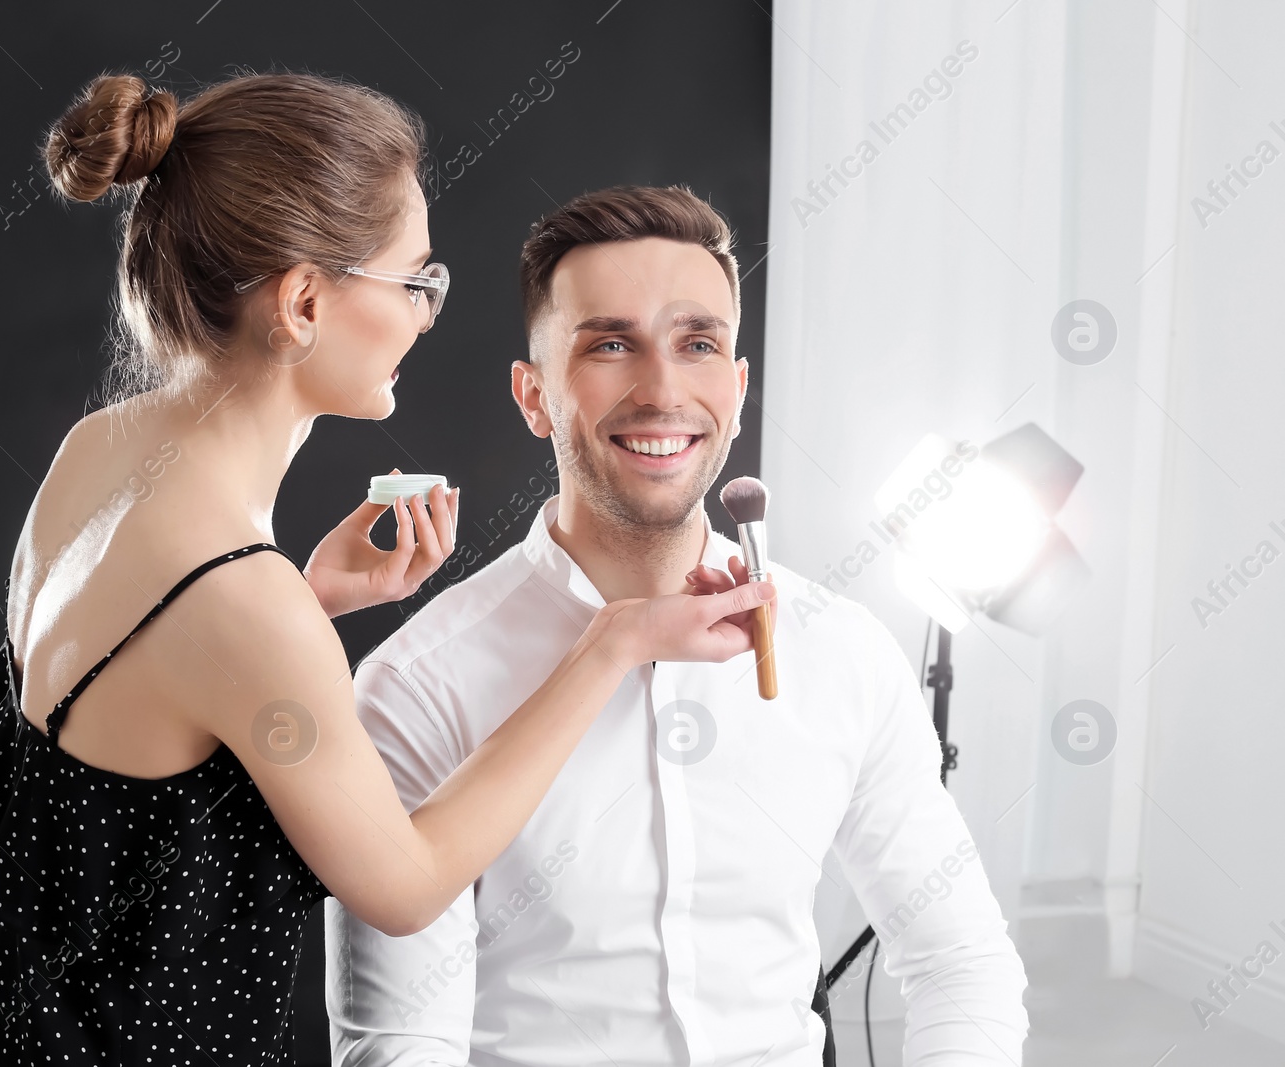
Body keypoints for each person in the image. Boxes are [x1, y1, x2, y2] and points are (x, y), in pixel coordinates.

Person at [0, 74, 776, 1067]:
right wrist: (612, 642)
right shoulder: (237, 594)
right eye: (415, 283)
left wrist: (312, 600)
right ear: (305, 301)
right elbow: (404, 885)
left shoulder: (100, 451)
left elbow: (136, 729)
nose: (425, 317)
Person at [324, 185, 1031, 1066]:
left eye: (697, 344)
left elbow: (961, 961)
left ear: (735, 388)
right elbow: (399, 1045)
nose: (662, 390)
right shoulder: (416, 684)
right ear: (534, 395)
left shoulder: (841, 649)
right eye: (611, 345)